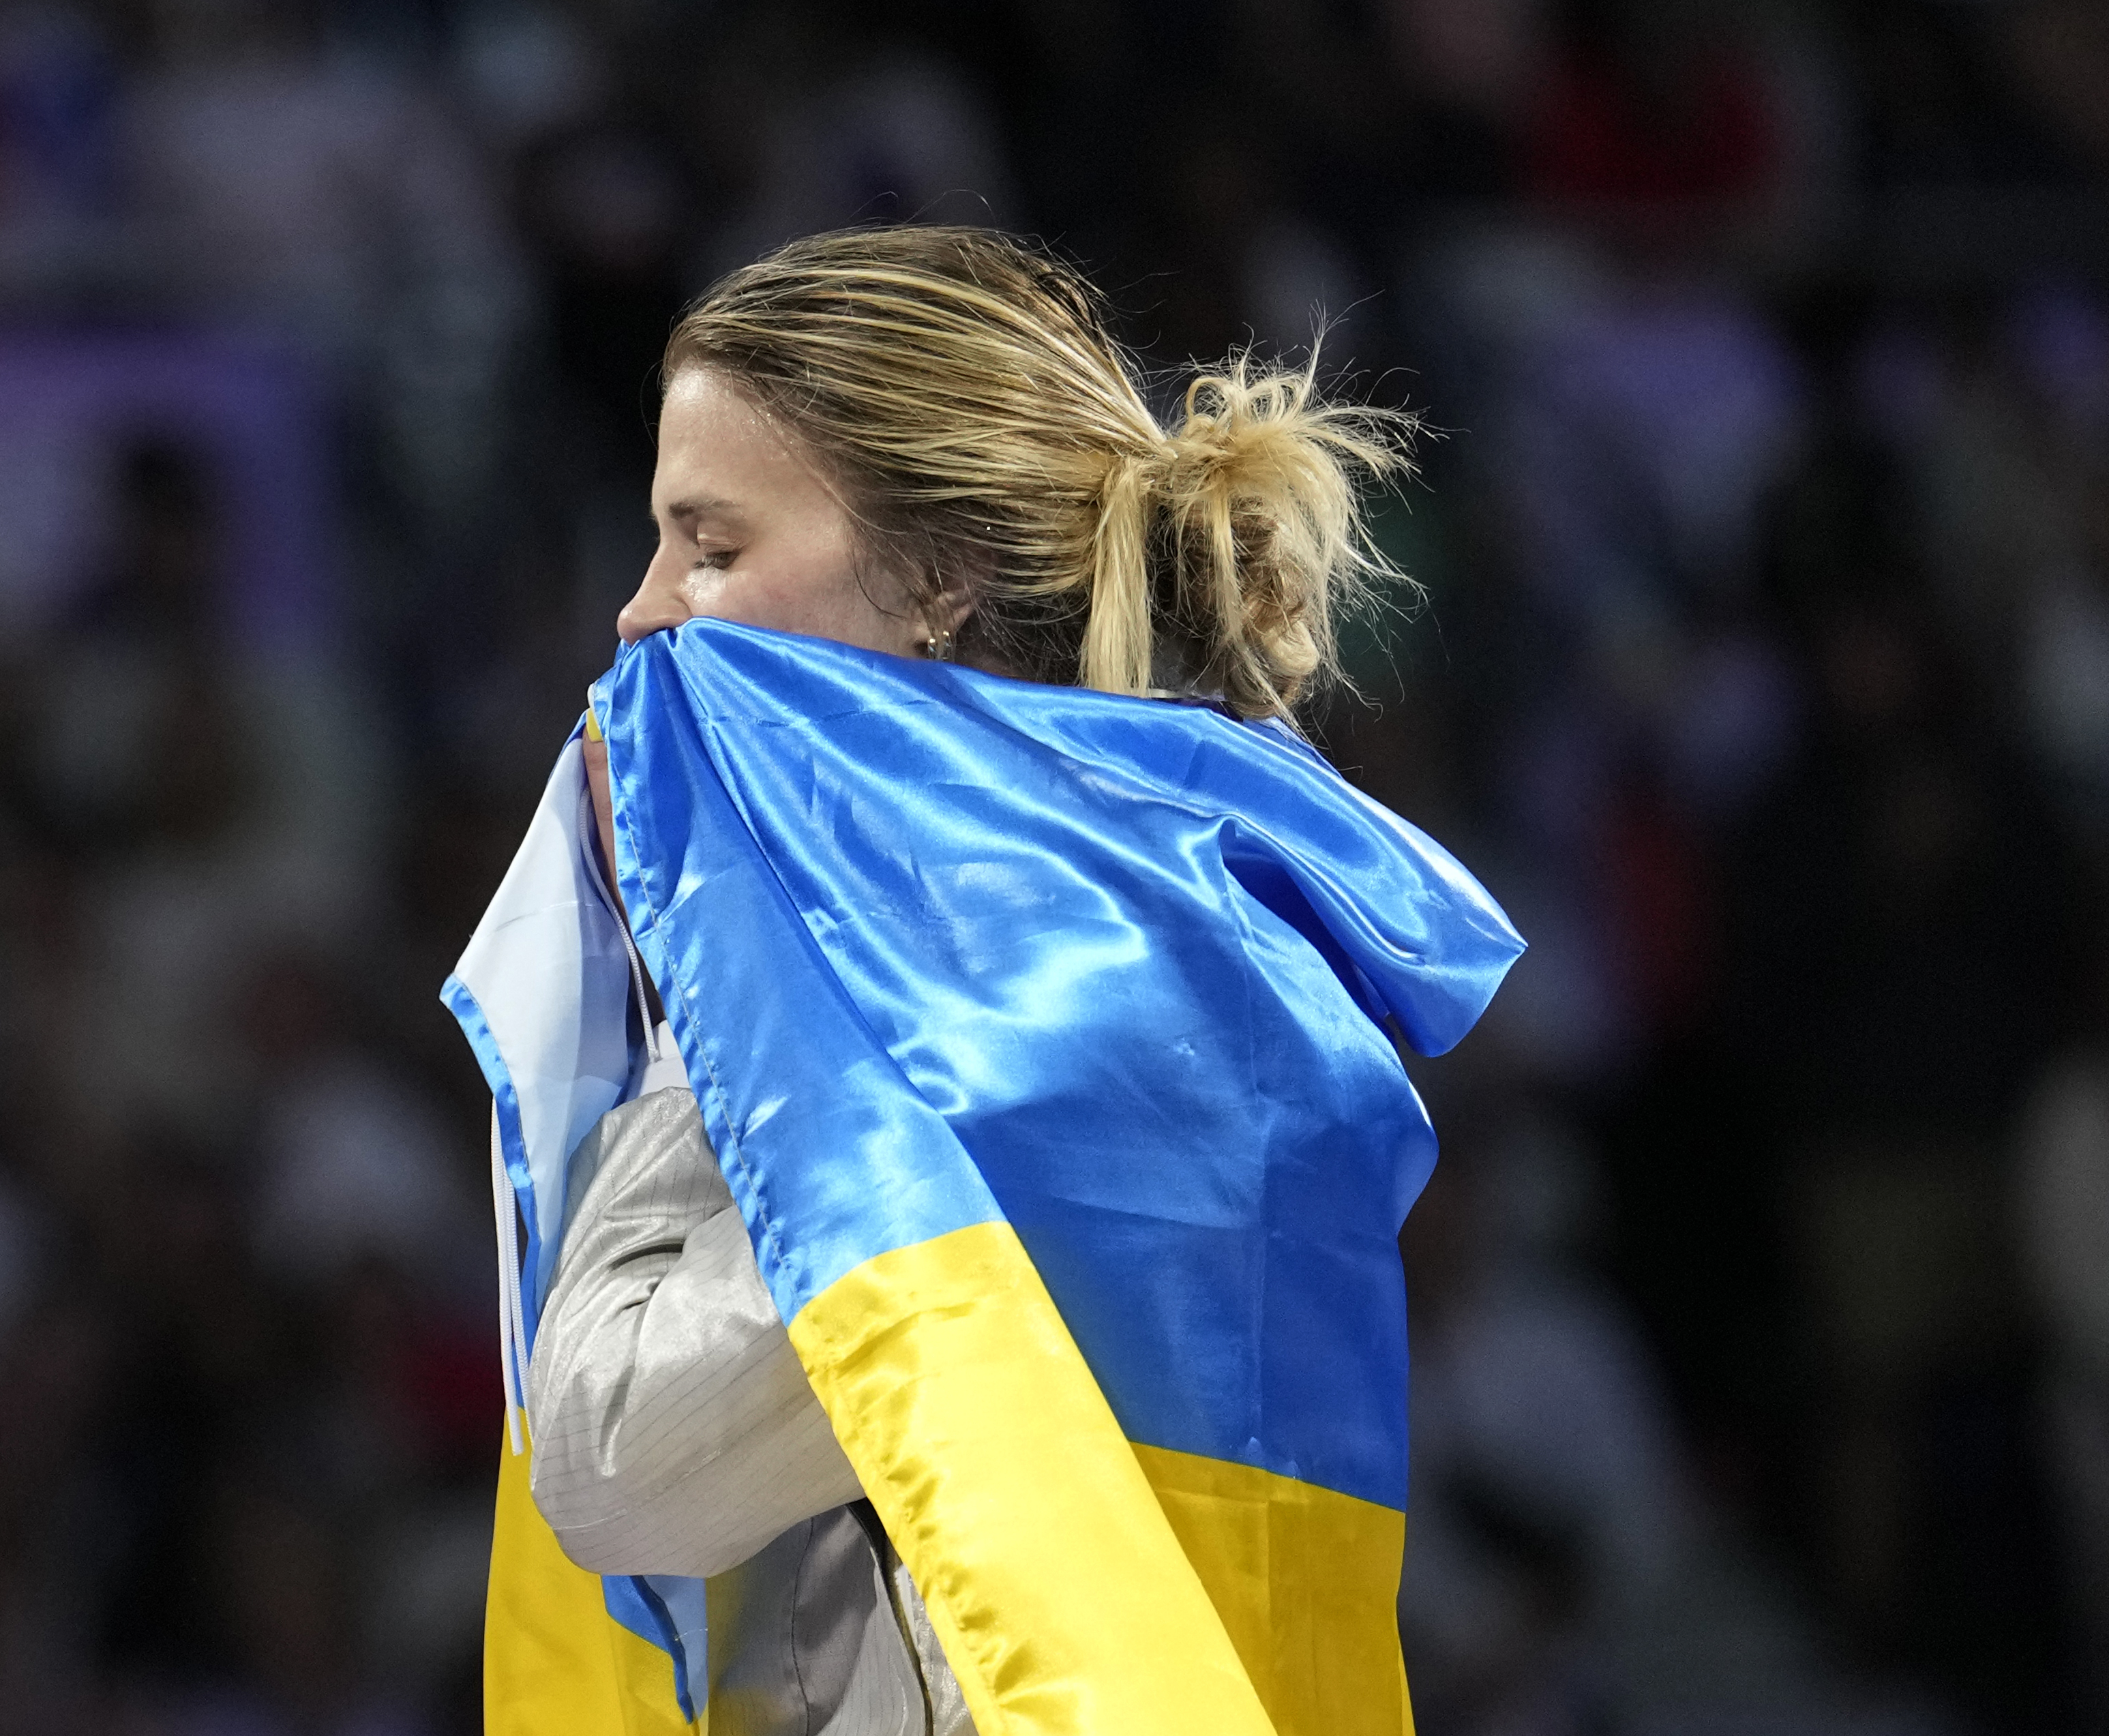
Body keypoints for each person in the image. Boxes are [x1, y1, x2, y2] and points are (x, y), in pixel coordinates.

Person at [447, 226, 1521, 1736]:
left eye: (711, 547)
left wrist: (710, 996)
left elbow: (618, 1459)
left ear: (938, 579)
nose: (640, 614)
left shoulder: (1047, 998)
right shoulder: (1170, 912)